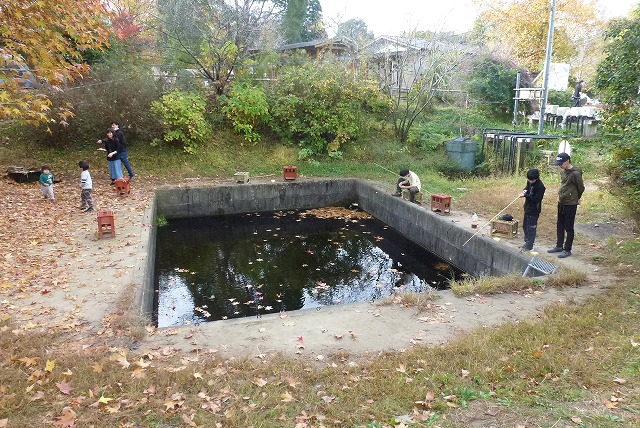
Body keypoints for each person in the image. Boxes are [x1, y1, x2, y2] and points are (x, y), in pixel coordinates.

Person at [548, 153, 585, 258]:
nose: (560, 166)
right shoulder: (563, 172)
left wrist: (575, 197)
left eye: (561, 163)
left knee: (569, 227)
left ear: (568, 161)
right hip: (562, 201)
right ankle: (559, 246)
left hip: (571, 203)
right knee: (560, 224)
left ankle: (567, 249)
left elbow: (581, 188)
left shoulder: (576, 174)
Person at [519, 168, 546, 251]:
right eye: (529, 179)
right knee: (525, 225)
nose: (530, 181)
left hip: (534, 210)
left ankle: (529, 244)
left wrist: (525, 196)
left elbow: (536, 199)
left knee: (531, 227)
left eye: (532, 180)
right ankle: (527, 240)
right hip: (527, 207)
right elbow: (527, 187)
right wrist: (524, 191)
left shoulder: (540, 187)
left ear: (536, 178)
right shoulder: (529, 181)